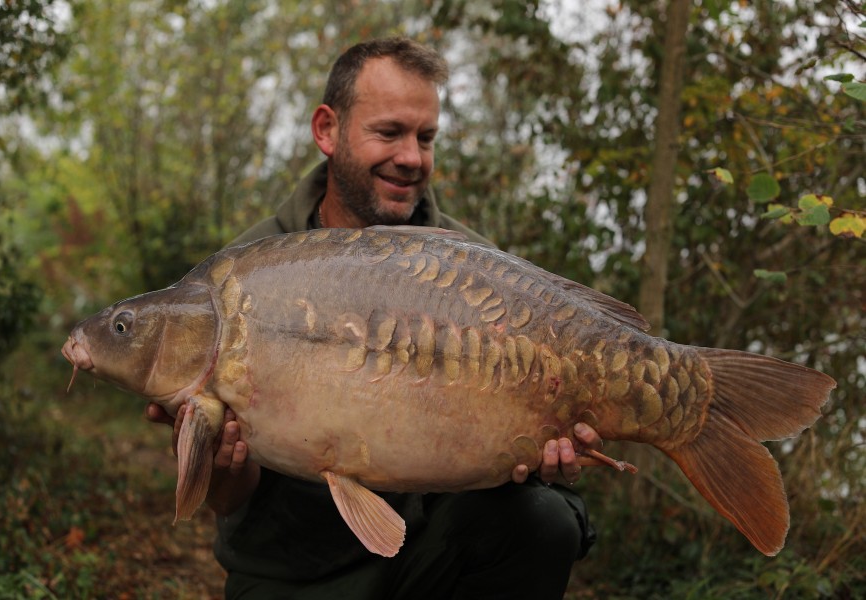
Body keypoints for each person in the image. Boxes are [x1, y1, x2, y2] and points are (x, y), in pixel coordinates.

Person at [148, 37, 601, 599]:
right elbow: (227, 498)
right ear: (327, 130)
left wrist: (548, 456)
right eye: (389, 133)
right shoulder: (239, 277)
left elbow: (514, 448)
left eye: (425, 137)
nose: (412, 157)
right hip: (294, 574)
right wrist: (218, 463)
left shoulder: (477, 274)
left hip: (438, 555)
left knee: (546, 518)